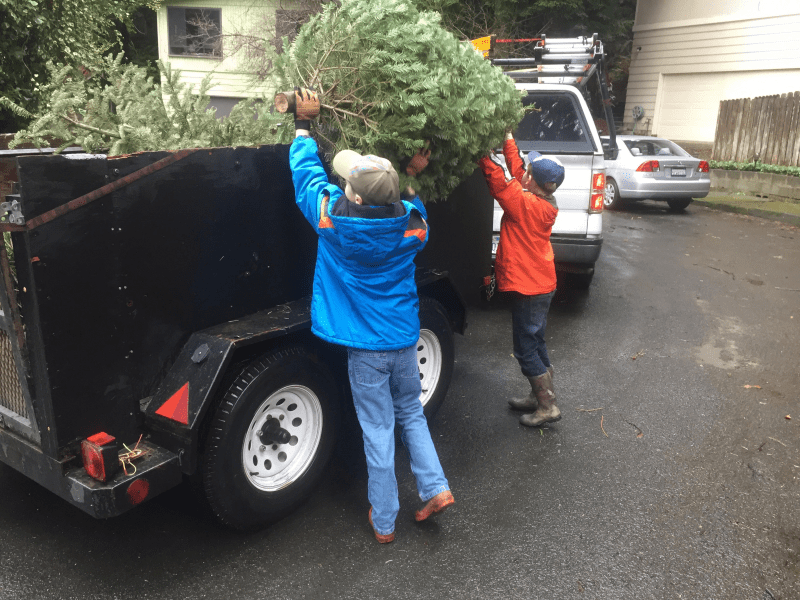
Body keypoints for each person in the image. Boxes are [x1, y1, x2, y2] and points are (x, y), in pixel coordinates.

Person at [287, 88, 454, 543]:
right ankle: (435, 487)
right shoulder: (412, 227)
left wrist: (303, 127)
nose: (342, 188)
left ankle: (384, 521)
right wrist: (413, 174)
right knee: (411, 415)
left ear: (355, 199)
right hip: (404, 339)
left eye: (348, 186)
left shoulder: (330, 221)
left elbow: (306, 178)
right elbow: (414, 204)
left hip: (366, 351)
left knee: (378, 430)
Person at [478, 131, 565, 427]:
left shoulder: (525, 204)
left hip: (530, 287)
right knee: (536, 341)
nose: (523, 172)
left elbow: (501, 180)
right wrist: (508, 140)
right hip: (540, 284)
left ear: (533, 183)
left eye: (528, 171)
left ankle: (547, 406)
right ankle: (539, 394)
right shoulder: (541, 198)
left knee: (525, 347)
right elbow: (517, 172)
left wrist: (482, 152)